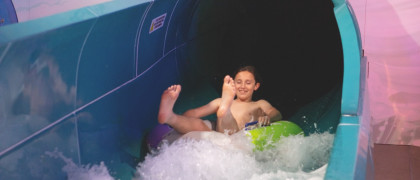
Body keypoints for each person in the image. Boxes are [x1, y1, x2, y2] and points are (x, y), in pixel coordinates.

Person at [158, 66, 282, 135]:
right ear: (233, 84)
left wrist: (268, 118)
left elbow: (275, 113)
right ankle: (169, 117)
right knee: (201, 125)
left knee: (224, 113)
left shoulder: (259, 104)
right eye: (238, 82)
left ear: (256, 86)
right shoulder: (220, 101)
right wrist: (185, 120)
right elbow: (193, 114)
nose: (242, 86)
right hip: (217, 135)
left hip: (236, 137)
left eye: (248, 83)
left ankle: (225, 111)